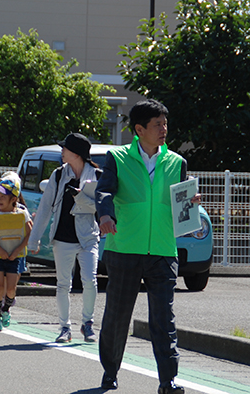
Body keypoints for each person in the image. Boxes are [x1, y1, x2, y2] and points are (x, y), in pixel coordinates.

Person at [95, 99, 200, 394]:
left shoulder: (177, 163)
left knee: (163, 319)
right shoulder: (117, 158)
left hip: (164, 251)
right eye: (157, 124)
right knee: (117, 316)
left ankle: (168, 381)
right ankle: (110, 372)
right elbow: (104, 190)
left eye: (165, 123)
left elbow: (178, 204)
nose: (164, 129)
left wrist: (189, 205)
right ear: (139, 129)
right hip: (125, 248)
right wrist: (105, 214)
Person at [28, 133, 102, 343]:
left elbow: (100, 207)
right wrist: (34, 240)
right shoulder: (58, 175)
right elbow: (44, 209)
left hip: (88, 237)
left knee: (90, 280)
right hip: (62, 238)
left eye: (65, 148)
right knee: (63, 284)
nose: (62, 151)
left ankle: (88, 323)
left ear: (76, 153)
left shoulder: (96, 175)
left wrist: (79, 195)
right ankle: (64, 327)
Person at [0, 177, 32, 332]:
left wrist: (17, 251)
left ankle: (6, 309)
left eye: (3, 197)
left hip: (15, 256)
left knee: (11, 288)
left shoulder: (22, 214)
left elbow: (30, 234)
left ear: (14, 199)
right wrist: (0, 249)